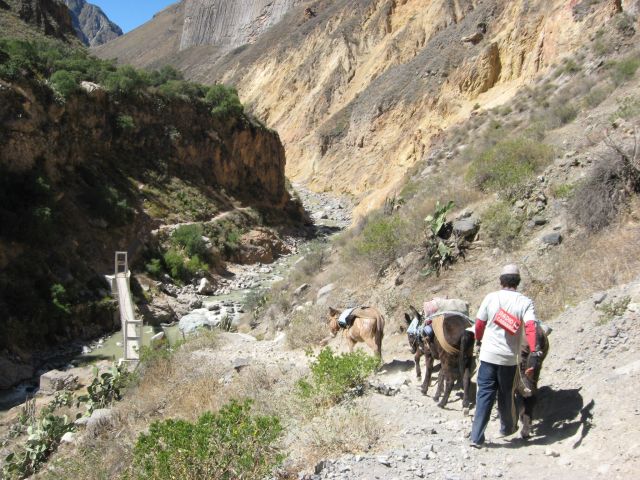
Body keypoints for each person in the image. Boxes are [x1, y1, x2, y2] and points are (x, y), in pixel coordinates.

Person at [469, 264, 539, 447]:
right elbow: (531, 327)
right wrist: (533, 350)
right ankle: (507, 427)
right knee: (506, 394)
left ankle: (476, 437)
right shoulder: (525, 302)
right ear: (518, 282)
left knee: (484, 394)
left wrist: (478, 339)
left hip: (488, 356)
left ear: (500, 281)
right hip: (509, 359)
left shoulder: (491, 298)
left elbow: (479, 324)